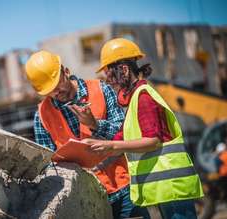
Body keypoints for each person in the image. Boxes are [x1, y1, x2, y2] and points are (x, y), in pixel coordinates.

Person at [83, 38, 204, 219]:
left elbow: (152, 141)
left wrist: (111, 147)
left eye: (110, 74)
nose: (108, 81)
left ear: (123, 69)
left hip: (172, 187)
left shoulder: (143, 97)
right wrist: (96, 163)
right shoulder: (134, 100)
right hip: (164, 189)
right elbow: (120, 139)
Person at [25, 50, 150, 218]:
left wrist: (95, 124)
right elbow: (48, 165)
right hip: (85, 201)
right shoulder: (42, 115)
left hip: (123, 190)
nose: (56, 92)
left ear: (66, 71)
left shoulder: (100, 89)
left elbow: (126, 134)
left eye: (58, 84)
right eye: (50, 90)